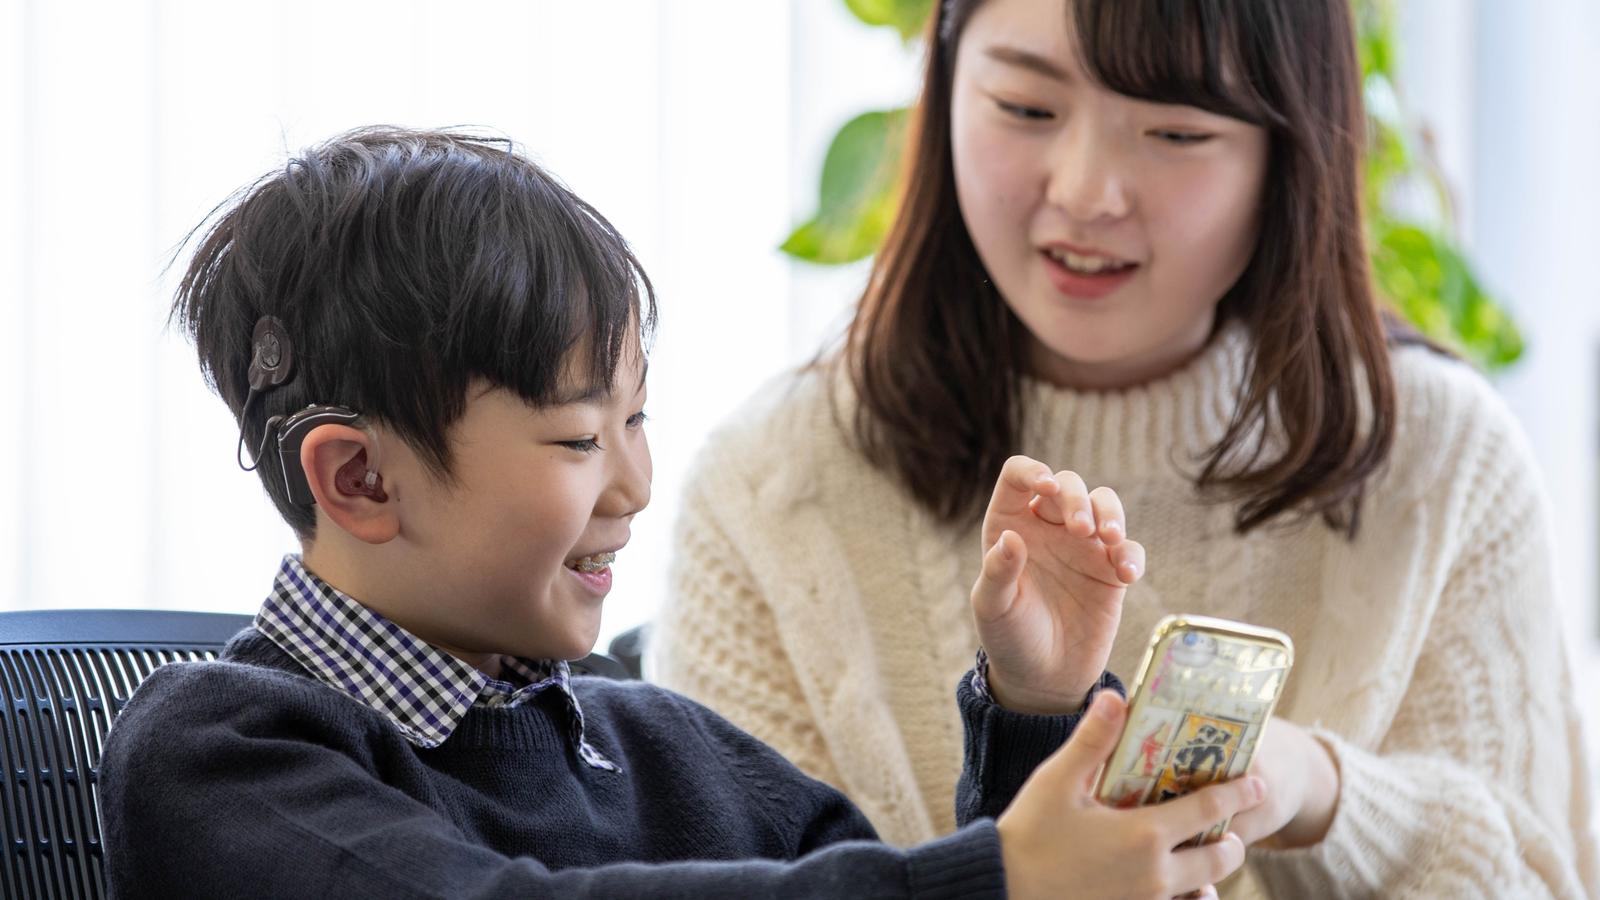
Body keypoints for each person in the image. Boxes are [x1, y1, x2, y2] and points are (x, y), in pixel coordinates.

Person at [98, 126, 1266, 899]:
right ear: (359, 479)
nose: (634, 486)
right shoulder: (222, 752)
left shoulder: (646, 737)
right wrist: (1003, 879)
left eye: (637, 422)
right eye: (575, 438)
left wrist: (1037, 713)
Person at [652, 0, 1600, 896]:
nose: (1085, 192)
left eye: (1177, 130)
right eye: (1026, 107)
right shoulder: (770, 487)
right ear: (943, 87)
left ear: (1290, 145)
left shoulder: (1442, 462)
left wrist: (1315, 792)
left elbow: (1541, 877)